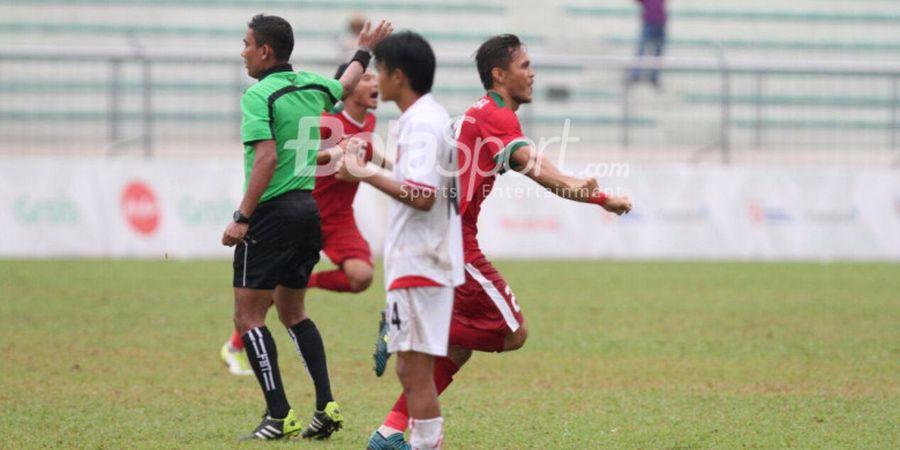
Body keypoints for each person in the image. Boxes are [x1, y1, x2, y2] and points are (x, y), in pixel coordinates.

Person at [366, 34, 633, 449]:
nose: (532, 73)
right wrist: (600, 197)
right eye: (524, 65)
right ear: (499, 74)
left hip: (442, 237)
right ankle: (407, 327)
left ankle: (389, 431)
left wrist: (377, 160)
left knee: (458, 348)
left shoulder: (471, 115)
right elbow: (539, 169)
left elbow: (435, 168)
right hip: (453, 240)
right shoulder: (497, 115)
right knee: (513, 332)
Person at [221, 14, 392, 441]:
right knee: (294, 313)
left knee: (249, 316)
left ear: (264, 50)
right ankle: (326, 405)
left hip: (271, 214)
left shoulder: (258, 95)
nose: (242, 52)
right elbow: (348, 82)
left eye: (246, 44)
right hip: (307, 213)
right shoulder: (314, 86)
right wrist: (363, 49)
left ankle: (278, 415)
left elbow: (266, 159)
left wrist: (242, 217)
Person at [337, 31, 463, 450]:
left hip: (421, 260)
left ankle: (426, 445)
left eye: (381, 71)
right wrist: (377, 162)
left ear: (398, 75)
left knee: (413, 370)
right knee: (413, 368)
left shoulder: (423, 123)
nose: (375, 80)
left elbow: (423, 196)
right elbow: (420, 181)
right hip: (425, 260)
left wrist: (362, 173)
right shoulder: (425, 118)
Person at [628, 0, 668, 88]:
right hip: (649, 23)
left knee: (658, 52)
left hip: (660, 23)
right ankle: (636, 74)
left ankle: (654, 76)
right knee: (641, 50)